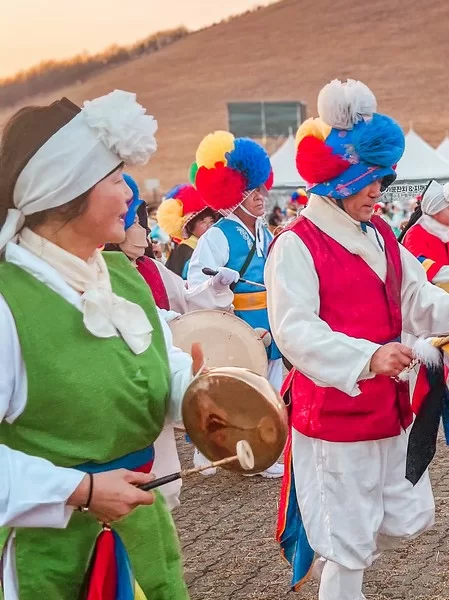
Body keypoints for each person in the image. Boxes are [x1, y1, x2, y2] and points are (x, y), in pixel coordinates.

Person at [267, 79, 449, 600]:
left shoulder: (383, 236)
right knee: (346, 538)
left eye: (383, 178)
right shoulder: (296, 245)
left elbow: (417, 296)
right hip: (333, 415)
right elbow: (294, 330)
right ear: (336, 181)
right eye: (370, 180)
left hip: (388, 409)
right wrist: (368, 356)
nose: (380, 191)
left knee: (377, 523)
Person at [0, 91, 195, 598]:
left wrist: (198, 393)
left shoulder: (121, 278)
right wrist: (81, 490)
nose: (129, 194)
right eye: (114, 180)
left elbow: (157, 366)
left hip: (141, 530)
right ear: (66, 191)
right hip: (52, 551)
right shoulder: (8, 303)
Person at [110, 174, 237, 509]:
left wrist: (216, 288)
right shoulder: (106, 274)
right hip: (129, 397)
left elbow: (186, 298)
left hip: (164, 374)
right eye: (135, 223)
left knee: (165, 481)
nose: (142, 232)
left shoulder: (149, 268)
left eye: (142, 223)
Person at [186, 131, 284, 479]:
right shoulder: (216, 235)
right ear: (233, 195)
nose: (262, 197)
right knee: (240, 391)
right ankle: (223, 450)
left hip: (269, 318)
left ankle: (264, 451)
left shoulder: (266, 232)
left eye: (261, 189)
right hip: (239, 320)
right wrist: (215, 284)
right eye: (252, 191)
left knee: (271, 389)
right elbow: (193, 285)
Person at [158, 183, 217, 278]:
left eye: (211, 221)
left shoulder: (207, 243)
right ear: (191, 227)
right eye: (203, 222)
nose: (209, 225)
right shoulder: (186, 248)